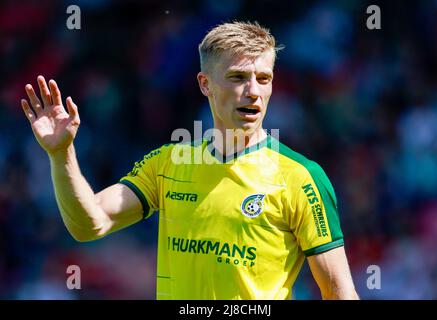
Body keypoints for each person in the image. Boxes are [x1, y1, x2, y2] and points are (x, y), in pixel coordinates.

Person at [21, 21, 359, 300]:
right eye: (238, 77)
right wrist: (60, 153)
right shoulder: (169, 164)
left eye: (264, 79)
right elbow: (89, 223)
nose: (254, 91)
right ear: (205, 84)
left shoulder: (301, 177)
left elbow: (339, 292)